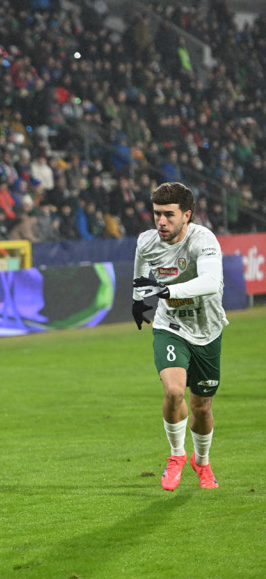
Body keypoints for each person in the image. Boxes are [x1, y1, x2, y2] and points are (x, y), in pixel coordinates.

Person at [132, 182, 227, 491]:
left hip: (207, 329)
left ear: (187, 215)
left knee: (202, 407)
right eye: (157, 214)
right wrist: (137, 301)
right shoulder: (147, 241)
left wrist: (168, 290)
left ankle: (202, 461)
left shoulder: (204, 240)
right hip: (170, 326)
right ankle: (176, 456)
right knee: (174, 391)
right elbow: (140, 270)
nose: (161, 221)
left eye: (169, 215)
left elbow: (212, 282)